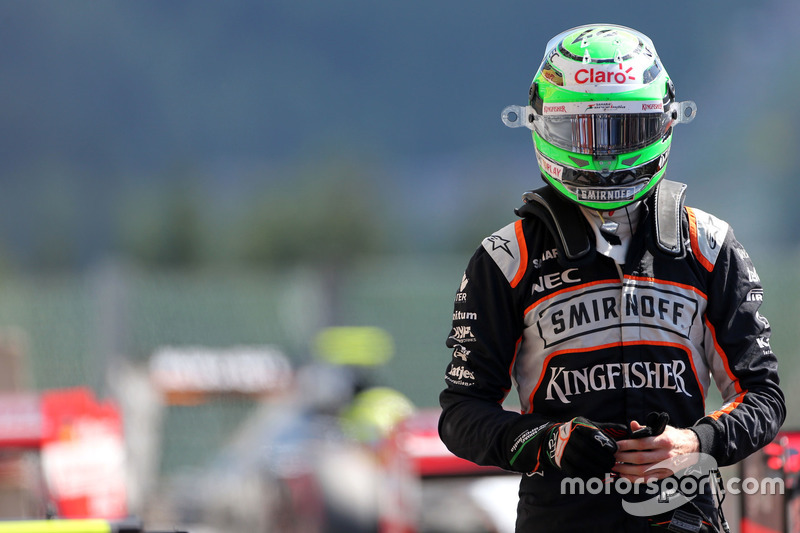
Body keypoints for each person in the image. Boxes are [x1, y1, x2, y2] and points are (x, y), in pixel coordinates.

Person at [437, 23, 785, 533]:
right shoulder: (507, 257)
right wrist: (548, 442)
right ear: (540, 125)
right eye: (582, 130)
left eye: (622, 130)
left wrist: (696, 443)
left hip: (684, 517)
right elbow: (461, 413)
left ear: (661, 124)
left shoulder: (709, 244)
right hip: (561, 518)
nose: (602, 153)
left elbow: (765, 397)